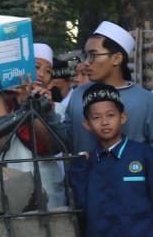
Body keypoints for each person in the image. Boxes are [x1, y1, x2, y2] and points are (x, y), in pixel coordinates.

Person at [67, 84, 153, 237]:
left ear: (123, 118)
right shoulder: (86, 164)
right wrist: (79, 170)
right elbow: (82, 210)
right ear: (87, 124)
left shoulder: (144, 155)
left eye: (111, 115)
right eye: (96, 117)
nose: (104, 122)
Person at [61, 21, 153, 151]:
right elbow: (65, 143)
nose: (86, 62)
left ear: (116, 59)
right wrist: (45, 113)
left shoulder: (146, 101)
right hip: (82, 171)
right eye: (85, 56)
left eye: (93, 55)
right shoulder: (78, 94)